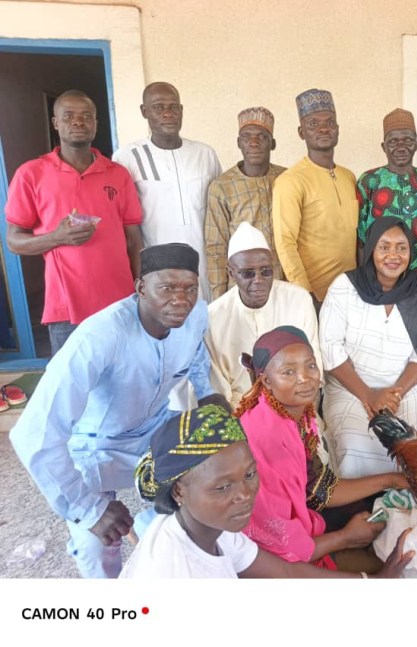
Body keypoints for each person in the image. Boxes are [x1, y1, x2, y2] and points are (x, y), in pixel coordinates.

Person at [10, 243, 224, 578]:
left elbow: (195, 350)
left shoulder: (196, 313)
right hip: (96, 444)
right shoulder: (99, 336)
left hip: (155, 430)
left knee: (216, 476)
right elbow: (33, 434)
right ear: (141, 288)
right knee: (97, 542)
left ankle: (153, 529)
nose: (180, 300)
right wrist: (90, 510)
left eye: (190, 289)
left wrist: (207, 392)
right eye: (167, 288)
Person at [121, 404, 414, 578]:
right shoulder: (172, 573)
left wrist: (373, 581)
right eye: (223, 487)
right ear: (179, 493)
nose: (245, 494)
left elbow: (287, 573)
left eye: (250, 474)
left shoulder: (213, 530)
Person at [234, 326, 409, 571]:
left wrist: (391, 480)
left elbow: (317, 487)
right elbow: (282, 547)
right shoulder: (269, 438)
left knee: (374, 510)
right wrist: (346, 537)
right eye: (288, 372)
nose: (304, 378)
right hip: (271, 556)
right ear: (267, 381)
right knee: (388, 564)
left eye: (310, 366)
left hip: (300, 517)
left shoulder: (290, 413)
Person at [4, 89, 143, 354]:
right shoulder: (31, 174)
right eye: (68, 116)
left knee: (125, 374)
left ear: (96, 124)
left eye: (86, 116)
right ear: (55, 123)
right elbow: (13, 241)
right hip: (66, 309)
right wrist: (57, 237)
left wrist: (140, 288)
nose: (78, 121)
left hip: (121, 303)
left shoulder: (117, 174)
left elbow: (134, 239)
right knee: (73, 378)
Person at [320, 216, 417, 478]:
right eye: (384, 247)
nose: (393, 255)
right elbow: (330, 347)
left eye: (402, 248)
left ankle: (404, 502)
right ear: (371, 249)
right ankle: (361, 500)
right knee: (354, 445)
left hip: (405, 388)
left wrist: (394, 395)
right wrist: (368, 395)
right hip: (351, 388)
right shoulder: (345, 287)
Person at [113, 82, 221, 301]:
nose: (168, 113)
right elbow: (125, 225)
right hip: (156, 269)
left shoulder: (205, 154)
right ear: (144, 111)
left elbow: (220, 209)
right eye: (158, 107)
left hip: (205, 266)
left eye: (173, 107)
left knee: (209, 318)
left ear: (181, 111)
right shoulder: (126, 157)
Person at [206, 222, 321, 409]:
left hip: (295, 405)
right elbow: (218, 391)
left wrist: (300, 416)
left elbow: (313, 372)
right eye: (248, 274)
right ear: (231, 273)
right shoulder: (214, 317)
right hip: (240, 409)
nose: (258, 280)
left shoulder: (298, 300)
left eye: (266, 271)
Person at [272, 89, 358, 308]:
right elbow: (285, 243)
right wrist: (306, 296)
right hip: (315, 298)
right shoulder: (291, 181)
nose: (323, 128)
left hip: (352, 293)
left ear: (337, 129)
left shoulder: (348, 177)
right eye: (313, 124)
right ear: (301, 132)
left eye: (330, 123)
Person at [356, 108, 417, 282]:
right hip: (380, 282)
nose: (401, 147)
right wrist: (363, 283)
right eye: (393, 141)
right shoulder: (369, 181)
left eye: (408, 140)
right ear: (383, 147)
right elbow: (361, 240)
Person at [205, 107, 286, 300]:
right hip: (243, 289)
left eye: (262, 136)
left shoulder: (287, 178)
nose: (253, 142)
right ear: (238, 143)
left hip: (285, 284)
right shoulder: (222, 187)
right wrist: (220, 298)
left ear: (273, 143)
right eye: (246, 137)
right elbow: (216, 248)